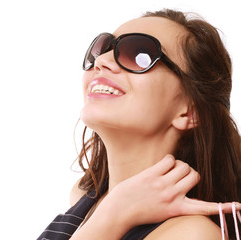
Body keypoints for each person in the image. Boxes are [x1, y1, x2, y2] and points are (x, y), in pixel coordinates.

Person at [37, 9, 241, 240]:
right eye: (102, 49)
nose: (101, 61)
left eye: (137, 54)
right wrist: (114, 209)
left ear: (189, 112)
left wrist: (114, 215)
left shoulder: (192, 235)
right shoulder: (84, 198)